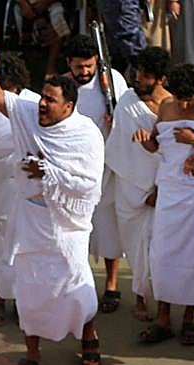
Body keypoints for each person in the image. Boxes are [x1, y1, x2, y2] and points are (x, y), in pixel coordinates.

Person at [0, 48, 105, 365]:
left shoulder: (86, 134)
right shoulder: (28, 113)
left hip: (68, 226)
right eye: (43, 97)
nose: (43, 105)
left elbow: (89, 185)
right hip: (31, 219)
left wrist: (48, 171)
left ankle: (89, 338)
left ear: (69, 106)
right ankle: (32, 353)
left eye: (51, 100)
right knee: (30, 289)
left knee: (77, 287)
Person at [135, 62, 194, 347]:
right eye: (180, 97)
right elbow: (156, 144)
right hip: (170, 190)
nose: (185, 103)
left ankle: (189, 317)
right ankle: (163, 317)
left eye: (190, 98)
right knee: (162, 254)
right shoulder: (165, 108)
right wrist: (143, 141)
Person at [104, 45, 169, 322]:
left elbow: (176, 151)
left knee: (163, 250)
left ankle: (166, 305)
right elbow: (117, 146)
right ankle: (140, 298)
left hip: (163, 188)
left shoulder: (173, 106)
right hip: (129, 186)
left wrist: (162, 188)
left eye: (144, 75)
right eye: (137, 73)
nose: (137, 79)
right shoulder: (127, 101)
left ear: (160, 79)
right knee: (134, 248)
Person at [65, 34, 127, 318]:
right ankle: (78, 286)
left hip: (107, 167)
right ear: (70, 64)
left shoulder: (112, 80)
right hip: (73, 171)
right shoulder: (61, 86)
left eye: (89, 66)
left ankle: (112, 283)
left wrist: (118, 122)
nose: (85, 72)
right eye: (79, 67)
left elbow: (129, 115)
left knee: (108, 227)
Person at [0, 52, 35, 329]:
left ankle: (25, 301)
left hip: (26, 184)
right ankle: (0, 296)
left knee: (25, 243)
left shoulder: (33, 103)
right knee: (1, 241)